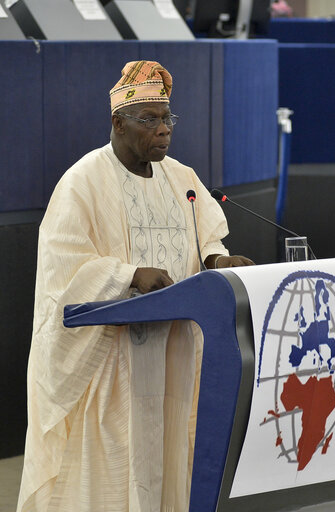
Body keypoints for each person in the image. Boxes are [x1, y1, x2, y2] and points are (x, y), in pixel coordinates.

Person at [17, 60, 254, 512]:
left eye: (167, 119)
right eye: (150, 120)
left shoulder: (181, 178)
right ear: (117, 123)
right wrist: (128, 275)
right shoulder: (83, 180)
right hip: (111, 361)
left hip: (173, 353)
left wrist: (216, 258)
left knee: (170, 458)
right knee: (114, 467)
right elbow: (61, 267)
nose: (164, 130)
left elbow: (205, 231)